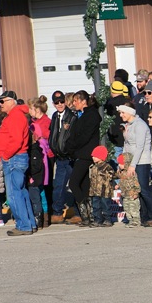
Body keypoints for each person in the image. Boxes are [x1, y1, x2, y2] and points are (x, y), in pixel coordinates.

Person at [0, 91, 35, 235]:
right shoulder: (14, 116)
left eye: (3, 101)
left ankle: (24, 225)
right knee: (21, 192)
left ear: (12, 101)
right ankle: (30, 223)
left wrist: (6, 155)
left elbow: (16, 140)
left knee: (13, 194)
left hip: (14, 158)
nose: (1, 104)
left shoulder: (15, 116)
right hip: (15, 158)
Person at [66, 90, 102, 228]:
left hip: (86, 154)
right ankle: (89, 217)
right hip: (80, 153)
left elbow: (84, 136)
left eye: (76, 101)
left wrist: (72, 146)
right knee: (84, 184)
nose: (74, 103)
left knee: (73, 183)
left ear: (83, 101)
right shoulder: (81, 115)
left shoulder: (91, 115)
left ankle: (87, 214)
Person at [118, 104, 152, 228]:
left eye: (123, 112)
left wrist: (133, 165)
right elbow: (126, 144)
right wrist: (123, 161)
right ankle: (143, 217)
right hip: (131, 162)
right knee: (137, 191)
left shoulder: (140, 125)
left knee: (144, 190)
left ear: (130, 112)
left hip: (141, 162)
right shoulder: (128, 125)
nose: (121, 115)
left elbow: (140, 147)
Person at [49, 91, 78, 224]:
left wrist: (71, 152)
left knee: (74, 185)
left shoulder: (72, 116)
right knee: (59, 186)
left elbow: (74, 136)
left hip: (70, 157)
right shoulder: (55, 116)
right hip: (60, 157)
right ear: (53, 104)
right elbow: (53, 134)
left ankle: (78, 212)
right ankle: (57, 213)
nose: (60, 104)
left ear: (65, 102)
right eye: (57, 102)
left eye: (62, 101)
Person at [27, 95, 52, 228]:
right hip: (39, 158)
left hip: (40, 159)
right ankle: (44, 216)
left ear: (36, 109)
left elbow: (47, 140)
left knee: (39, 188)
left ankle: (43, 216)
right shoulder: (33, 122)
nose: (28, 111)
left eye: (30, 108)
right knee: (40, 189)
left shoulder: (42, 123)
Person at [88, 145, 116, 227]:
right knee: (96, 206)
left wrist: (108, 177)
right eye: (93, 156)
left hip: (105, 190)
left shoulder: (107, 167)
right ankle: (97, 219)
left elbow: (112, 175)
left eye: (95, 156)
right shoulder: (93, 167)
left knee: (105, 205)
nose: (93, 158)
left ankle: (108, 219)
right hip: (95, 191)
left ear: (101, 157)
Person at [116, 152, 141, 227]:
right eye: (118, 164)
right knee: (127, 208)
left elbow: (136, 183)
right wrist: (118, 185)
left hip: (132, 194)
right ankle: (130, 220)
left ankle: (136, 221)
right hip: (125, 195)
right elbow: (122, 181)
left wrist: (136, 192)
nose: (119, 165)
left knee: (133, 208)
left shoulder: (132, 173)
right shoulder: (122, 173)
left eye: (121, 164)